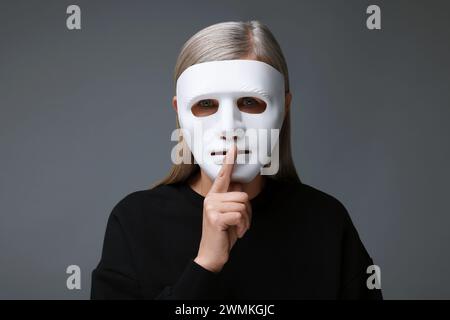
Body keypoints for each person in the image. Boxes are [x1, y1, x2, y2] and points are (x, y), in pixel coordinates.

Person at [90, 20, 382, 300]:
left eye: (250, 102)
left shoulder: (325, 222)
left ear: (285, 107)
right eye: (206, 104)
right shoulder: (135, 222)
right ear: (179, 111)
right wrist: (205, 264)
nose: (230, 128)